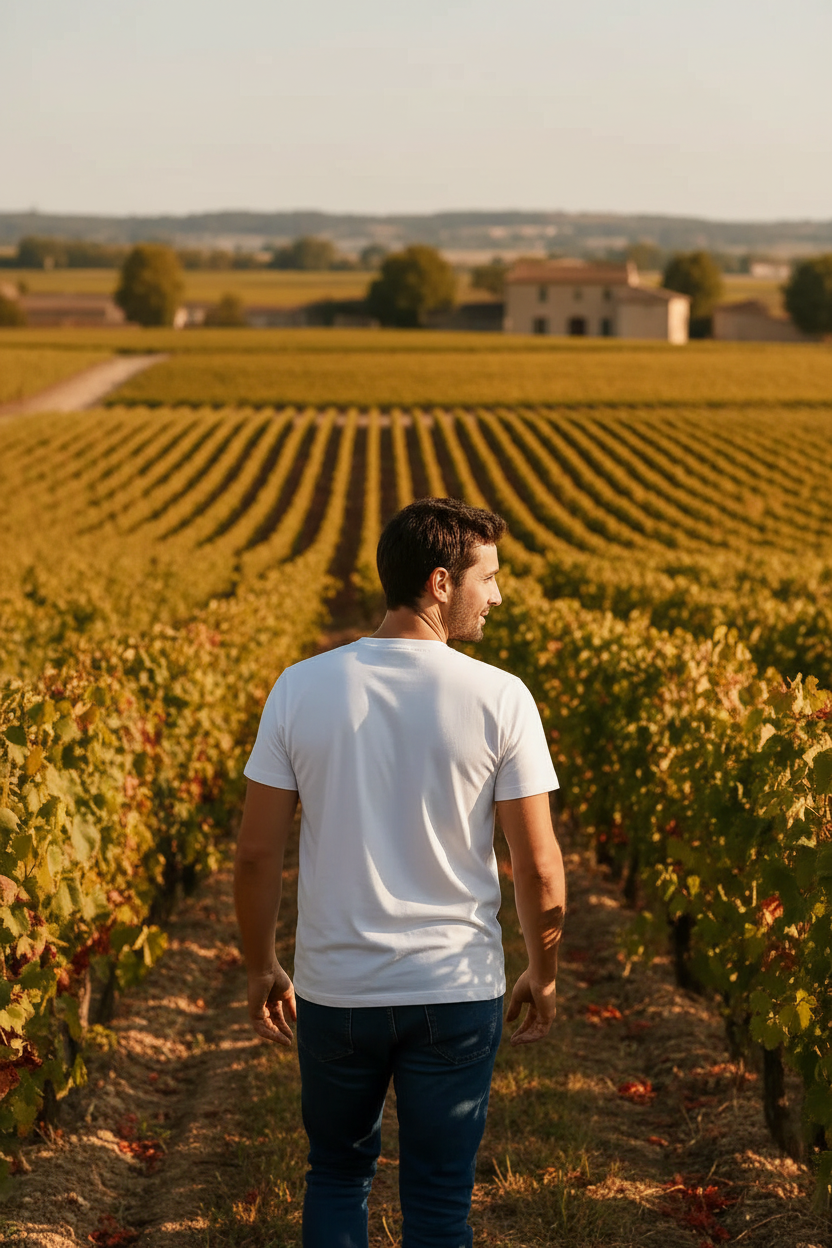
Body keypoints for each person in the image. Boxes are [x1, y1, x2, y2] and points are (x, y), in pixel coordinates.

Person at [234, 497, 566, 1248]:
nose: (500, 595)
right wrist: (542, 972)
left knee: (337, 1174)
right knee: (442, 1202)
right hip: (454, 992)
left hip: (337, 990)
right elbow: (538, 868)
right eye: (492, 577)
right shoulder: (501, 697)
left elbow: (256, 853)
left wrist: (260, 966)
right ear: (442, 583)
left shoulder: (299, 687)